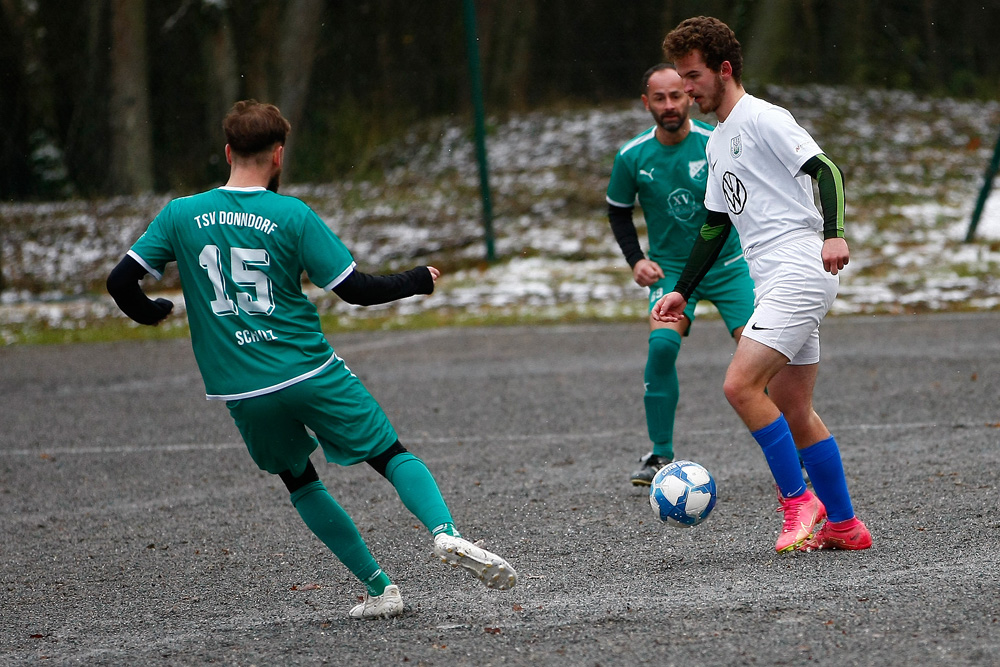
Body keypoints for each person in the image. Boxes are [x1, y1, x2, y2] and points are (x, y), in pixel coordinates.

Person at [106, 100, 517, 619]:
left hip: (241, 388)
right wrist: (417, 279)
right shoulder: (291, 215)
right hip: (307, 370)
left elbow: (120, 282)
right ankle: (445, 533)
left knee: (300, 482)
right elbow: (356, 290)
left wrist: (152, 311)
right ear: (278, 155)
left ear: (228, 150)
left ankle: (379, 589)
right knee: (389, 454)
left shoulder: (181, 213)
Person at [655, 17, 872, 553]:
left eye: (694, 76)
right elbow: (714, 225)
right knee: (793, 405)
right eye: (682, 78)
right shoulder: (717, 141)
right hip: (775, 276)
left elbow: (827, 171)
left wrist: (834, 234)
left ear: (724, 70)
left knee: (740, 386)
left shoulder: (764, 118)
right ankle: (846, 527)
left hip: (799, 267)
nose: (687, 90)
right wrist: (683, 288)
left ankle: (799, 502)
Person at [606, 64, 755, 486]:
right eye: (660, 98)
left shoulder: (716, 143)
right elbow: (618, 210)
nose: (670, 105)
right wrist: (636, 259)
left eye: (677, 95)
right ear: (646, 103)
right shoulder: (632, 155)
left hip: (727, 266)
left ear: (689, 97)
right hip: (670, 272)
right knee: (661, 348)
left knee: (760, 354)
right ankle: (660, 455)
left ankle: (792, 447)